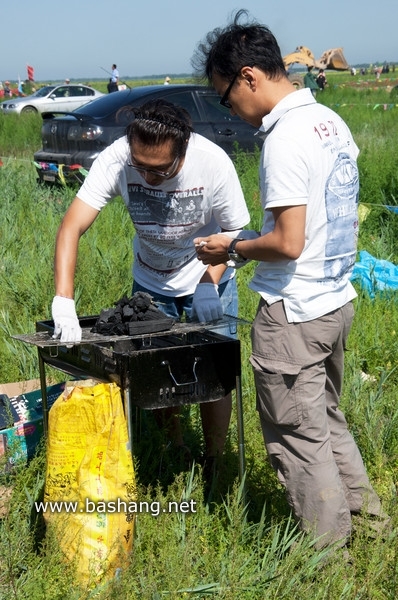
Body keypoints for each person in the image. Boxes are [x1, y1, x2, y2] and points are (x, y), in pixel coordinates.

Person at [192, 9, 388, 548]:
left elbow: (287, 242)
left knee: (296, 437)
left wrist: (230, 246)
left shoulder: (283, 138)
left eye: (229, 98)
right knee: (325, 421)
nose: (234, 111)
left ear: (250, 76)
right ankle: (370, 526)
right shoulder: (329, 121)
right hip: (334, 300)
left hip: (294, 313)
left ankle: (328, 556)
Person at [51, 98, 250, 477]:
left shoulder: (213, 163)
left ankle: (214, 461)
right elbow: (71, 226)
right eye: (140, 168)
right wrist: (63, 299)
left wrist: (210, 283)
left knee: (214, 374)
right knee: (154, 376)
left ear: (183, 150)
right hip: (151, 283)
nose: (148, 178)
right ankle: (172, 450)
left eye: (160, 171)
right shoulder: (116, 159)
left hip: (209, 280)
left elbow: (235, 232)